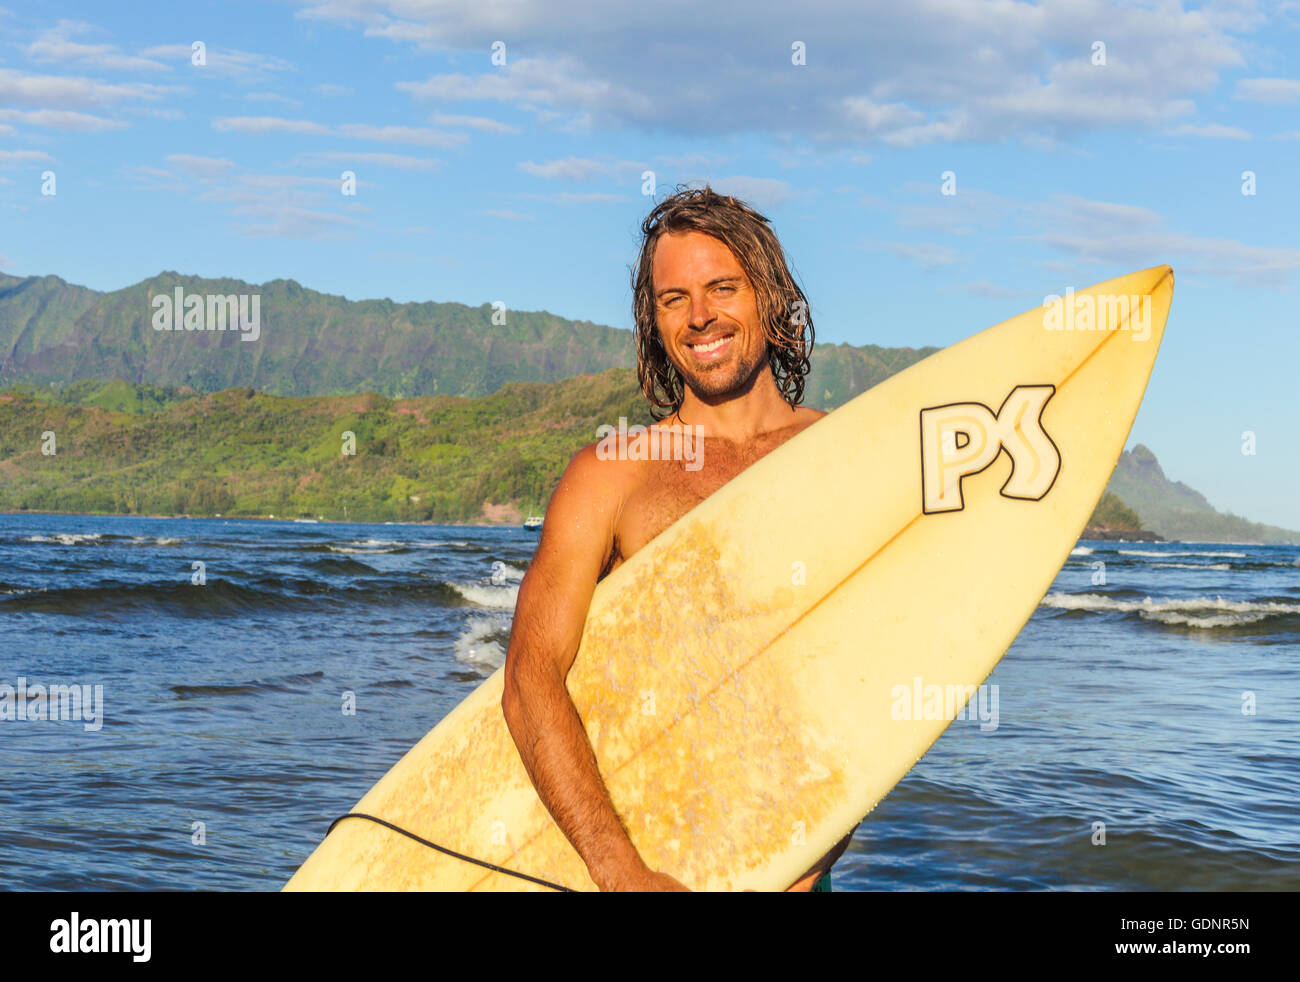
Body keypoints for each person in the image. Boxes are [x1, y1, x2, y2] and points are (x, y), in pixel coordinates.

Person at [501, 185, 856, 891]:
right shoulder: (610, 476)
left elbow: (871, 667)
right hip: (644, 861)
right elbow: (529, 678)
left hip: (788, 855)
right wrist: (618, 871)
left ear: (771, 296)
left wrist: (817, 845)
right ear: (653, 319)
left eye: (722, 288)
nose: (700, 317)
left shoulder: (840, 455)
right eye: (674, 299)